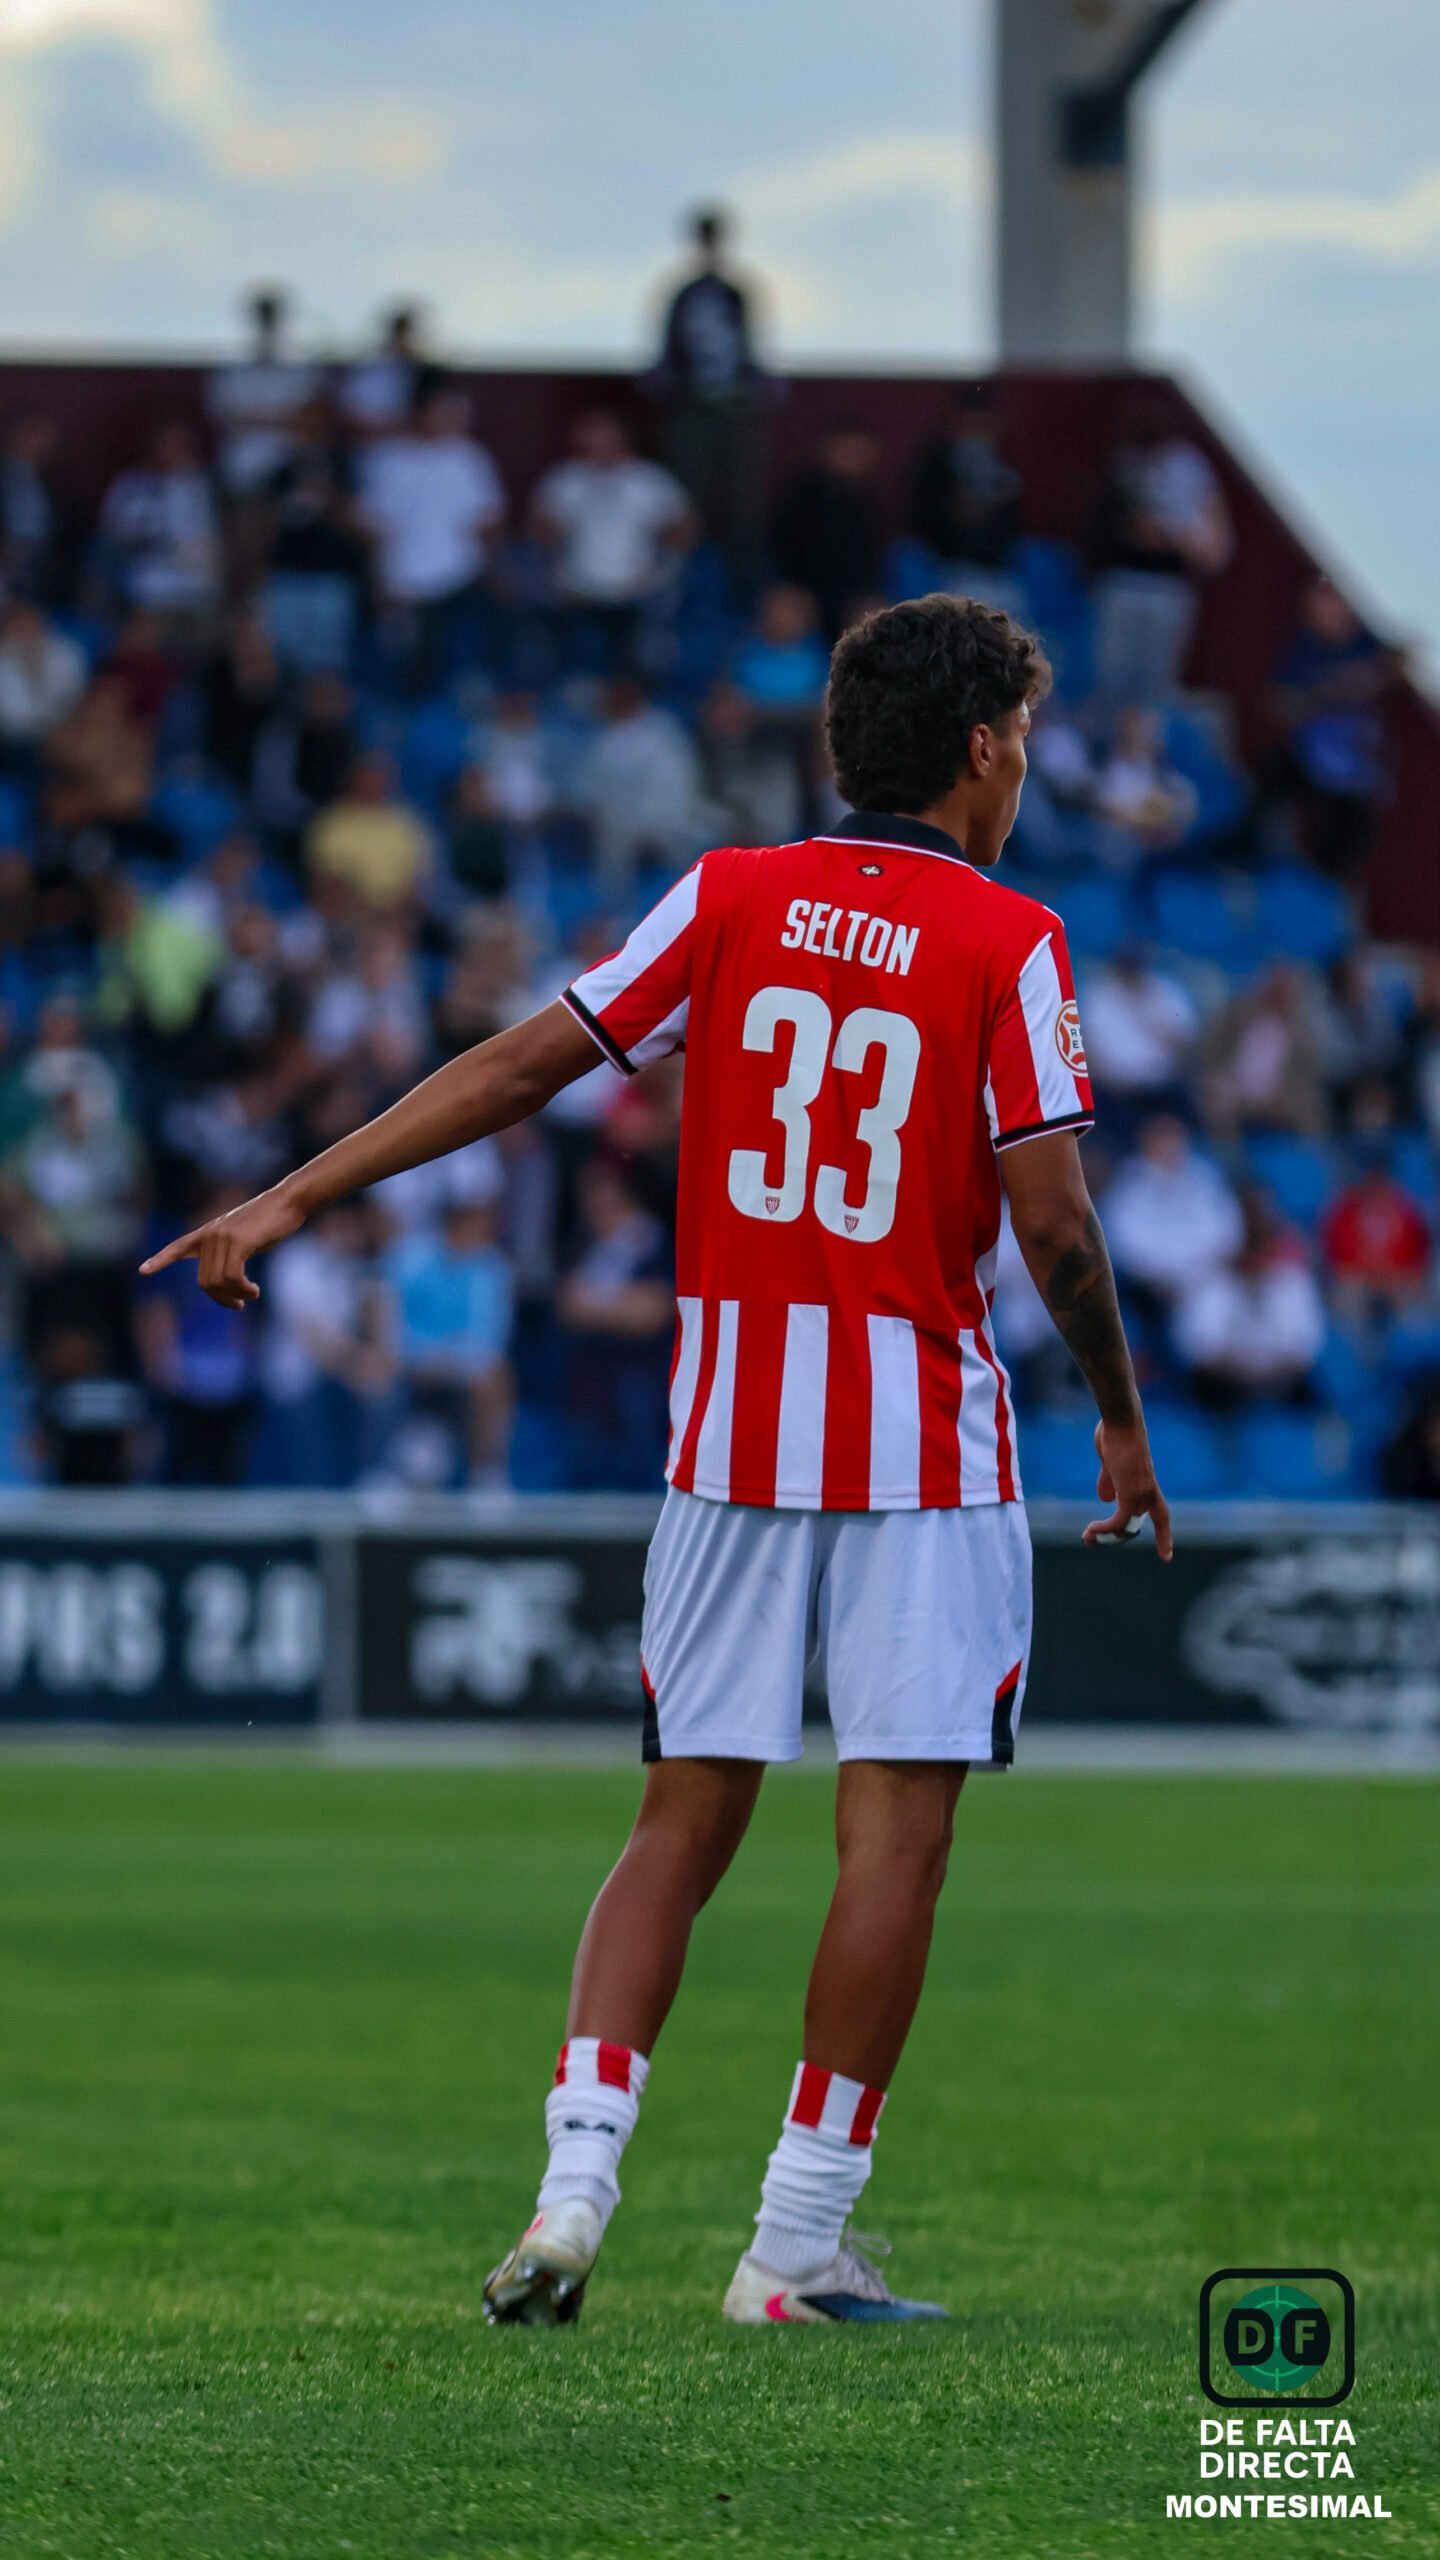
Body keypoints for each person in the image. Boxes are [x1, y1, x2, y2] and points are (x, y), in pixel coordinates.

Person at [141, 591, 1171, 2330]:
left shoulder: (728, 894)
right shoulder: (1011, 938)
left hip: (726, 1435)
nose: (1026, 772)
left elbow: (520, 1067)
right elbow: (1058, 1228)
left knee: (680, 1819)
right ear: (983, 750)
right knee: (893, 1838)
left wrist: (295, 1193)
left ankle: (572, 2194)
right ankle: (795, 2245)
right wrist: (1121, 1416)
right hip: (921, 1445)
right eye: (1025, 743)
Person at [651, 205, 769, 595]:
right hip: (694, 408)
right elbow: (669, 355)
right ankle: (687, 581)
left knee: (740, 500)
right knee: (688, 495)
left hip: (734, 409)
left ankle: (738, 584)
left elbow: (749, 351)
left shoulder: (732, 293)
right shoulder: (686, 294)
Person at [532, 410, 694, 676]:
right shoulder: (566, 480)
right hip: (577, 595)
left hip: (637, 595)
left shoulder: (650, 480)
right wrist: (557, 558)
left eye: (604, 438)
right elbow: (541, 530)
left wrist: (660, 569)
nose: (597, 446)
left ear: (621, 438)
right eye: (590, 439)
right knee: (565, 661)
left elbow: (684, 529)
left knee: (640, 662)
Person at [908, 384, 1025, 609]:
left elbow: (1011, 528)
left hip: (997, 572)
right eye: (970, 426)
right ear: (954, 426)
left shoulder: (1003, 467)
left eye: (984, 426)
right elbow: (923, 523)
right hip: (944, 568)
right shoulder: (934, 469)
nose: (977, 434)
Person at [771, 422, 885, 641]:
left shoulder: (868, 504)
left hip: (852, 598)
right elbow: (786, 555)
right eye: (848, 451)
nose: (855, 460)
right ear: (827, 450)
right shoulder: (801, 499)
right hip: (802, 591)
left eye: (862, 452)